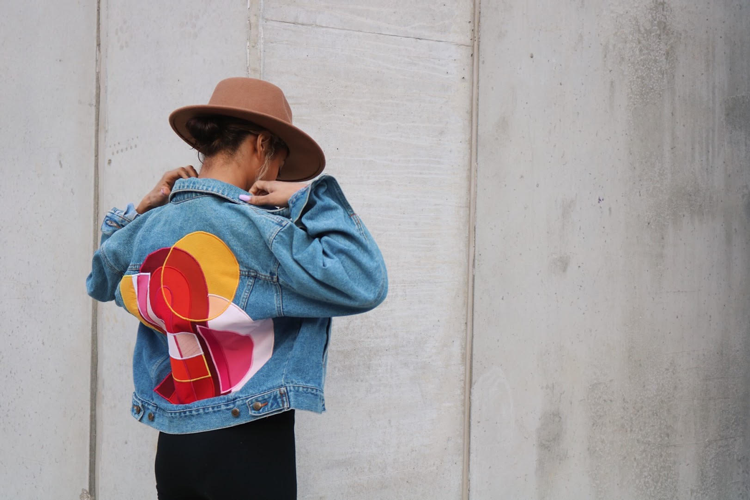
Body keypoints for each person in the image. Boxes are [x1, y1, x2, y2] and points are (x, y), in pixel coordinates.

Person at [86, 77, 388, 499]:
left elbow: (100, 281)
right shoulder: (265, 230)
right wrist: (309, 196)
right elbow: (365, 281)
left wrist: (139, 211)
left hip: (174, 450)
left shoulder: (150, 226)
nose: (279, 175)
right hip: (250, 445)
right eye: (281, 162)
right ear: (262, 145)